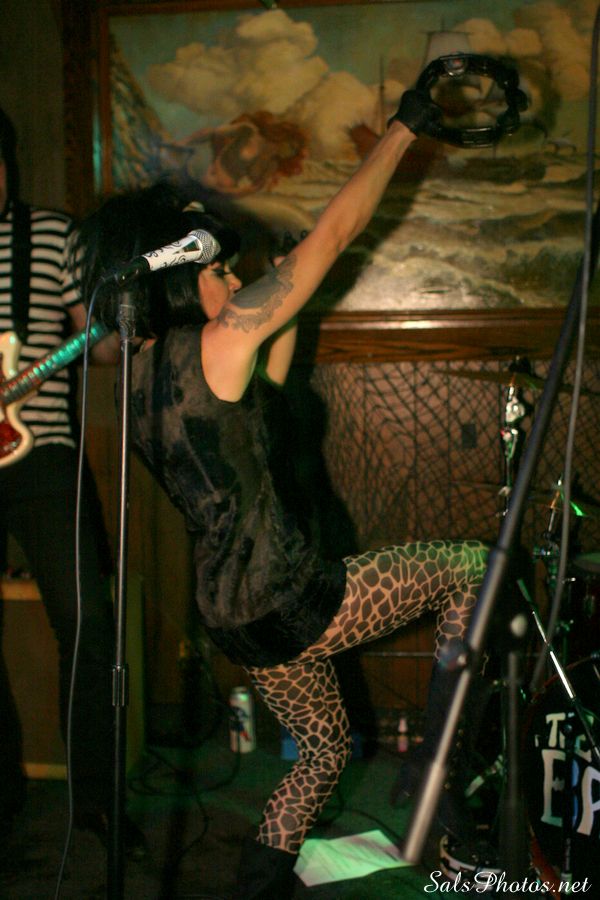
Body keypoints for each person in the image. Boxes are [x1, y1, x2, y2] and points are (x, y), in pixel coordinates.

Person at [73, 88, 490, 898]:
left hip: (233, 612)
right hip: (292, 594)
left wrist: (281, 303)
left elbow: (265, 386)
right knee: (471, 567)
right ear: (178, 275)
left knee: (323, 752)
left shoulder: (142, 376)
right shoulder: (219, 342)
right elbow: (337, 233)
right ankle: (444, 778)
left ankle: (257, 887)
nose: (233, 281)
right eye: (218, 270)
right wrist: (402, 129)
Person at [0, 107, 146, 858]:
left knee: (88, 624)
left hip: (44, 455)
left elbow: (103, 348)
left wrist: (124, 322)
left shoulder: (52, 235)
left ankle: (94, 800)